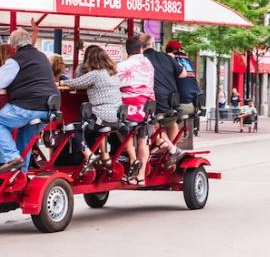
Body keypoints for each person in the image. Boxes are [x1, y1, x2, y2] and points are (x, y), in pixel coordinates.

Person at [0, 28, 59, 172]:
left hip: (28, 106)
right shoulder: (42, 56)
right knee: (24, 137)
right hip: (49, 108)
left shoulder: (15, 60)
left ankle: (12, 157)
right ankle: (20, 176)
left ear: (13, 46)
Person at [61, 46, 124, 168]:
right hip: (116, 117)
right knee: (98, 128)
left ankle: (90, 156)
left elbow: (75, 83)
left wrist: (62, 82)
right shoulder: (113, 74)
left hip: (101, 117)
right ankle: (105, 158)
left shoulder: (95, 74)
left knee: (72, 127)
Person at [116, 35, 154, 186]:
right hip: (147, 109)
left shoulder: (123, 66)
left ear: (127, 51)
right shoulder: (149, 64)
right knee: (143, 140)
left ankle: (133, 159)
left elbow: (114, 84)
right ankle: (141, 175)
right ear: (141, 48)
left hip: (130, 111)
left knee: (120, 130)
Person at [142, 33, 187, 161]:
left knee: (152, 124)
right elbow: (183, 74)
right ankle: (169, 153)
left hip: (154, 101)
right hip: (171, 100)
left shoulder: (142, 60)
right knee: (172, 123)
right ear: (153, 44)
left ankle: (169, 148)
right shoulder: (166, 57)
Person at [167, 40, 200, 123]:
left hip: (181, 104)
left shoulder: (170, 60)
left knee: (162, 120)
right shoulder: (188, 61)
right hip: (195, 103)